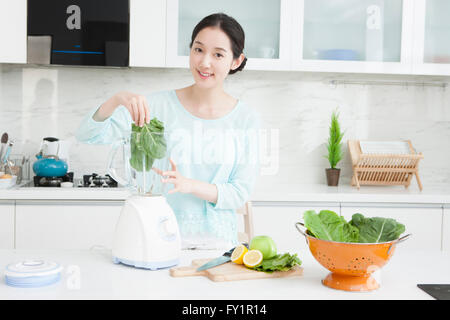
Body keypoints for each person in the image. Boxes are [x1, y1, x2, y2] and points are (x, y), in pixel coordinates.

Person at [76, 13, 261, 249]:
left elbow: (239, 192)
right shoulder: (155, 107)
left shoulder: (246, 119)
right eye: (198, 49)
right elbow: (87, 134)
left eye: (218, 54)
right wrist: (117, 99)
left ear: (235, 61)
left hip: (218, 248)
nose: (204, 62)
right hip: (157, 240)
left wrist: (189, 185)